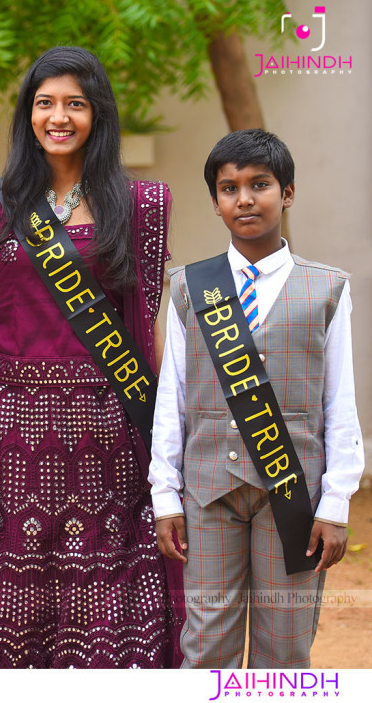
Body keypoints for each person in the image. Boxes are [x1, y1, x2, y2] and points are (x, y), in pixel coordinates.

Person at [0, 46, 182, 668]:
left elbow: (148, 330)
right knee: (15, 588)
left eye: (75, 104)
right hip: (14, 432)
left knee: (110, 578)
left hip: (111, 428)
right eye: (45, 103)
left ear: (97, 114)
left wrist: (169, 440)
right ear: (28, 113)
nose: (59, 117)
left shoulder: (138, 206)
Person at [149, 129, 363, 668]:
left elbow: (339, 403)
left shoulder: (328, 289)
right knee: (206, 643)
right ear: (216, 203)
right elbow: (171, 397)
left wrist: (336, 503)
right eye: (228, 188)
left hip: (294, 493)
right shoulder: (190, 288)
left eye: (259, 184)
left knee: (285, 645)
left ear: (287, 193)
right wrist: (166, 494)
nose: (244, 199)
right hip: (207, 492)